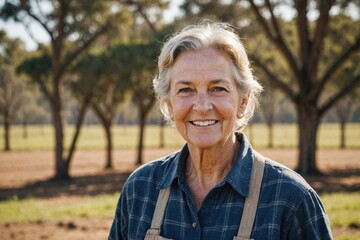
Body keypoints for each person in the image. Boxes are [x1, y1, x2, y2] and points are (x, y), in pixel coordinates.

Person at [108, 22, 332, 240]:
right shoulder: (140, 190)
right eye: (186, 90)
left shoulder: (291, 198)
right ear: (169, 104)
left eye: (218, 89)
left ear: (243, 101)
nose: (203, 106)